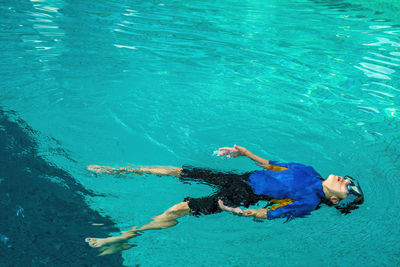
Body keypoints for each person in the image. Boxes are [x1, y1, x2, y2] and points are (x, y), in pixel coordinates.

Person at [85, 145, 364, 255]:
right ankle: (121, 170)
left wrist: (242, 212)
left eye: (350, 188)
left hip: (243, 194)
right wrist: (245, 153)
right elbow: (271, 165)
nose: (346, 181)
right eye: (349, 179)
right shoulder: (311, 171)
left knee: (181, 207)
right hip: (240, 177)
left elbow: (272, 214)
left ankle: (126, 236)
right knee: (179, 170)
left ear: (336, 201)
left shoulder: (309, 202)